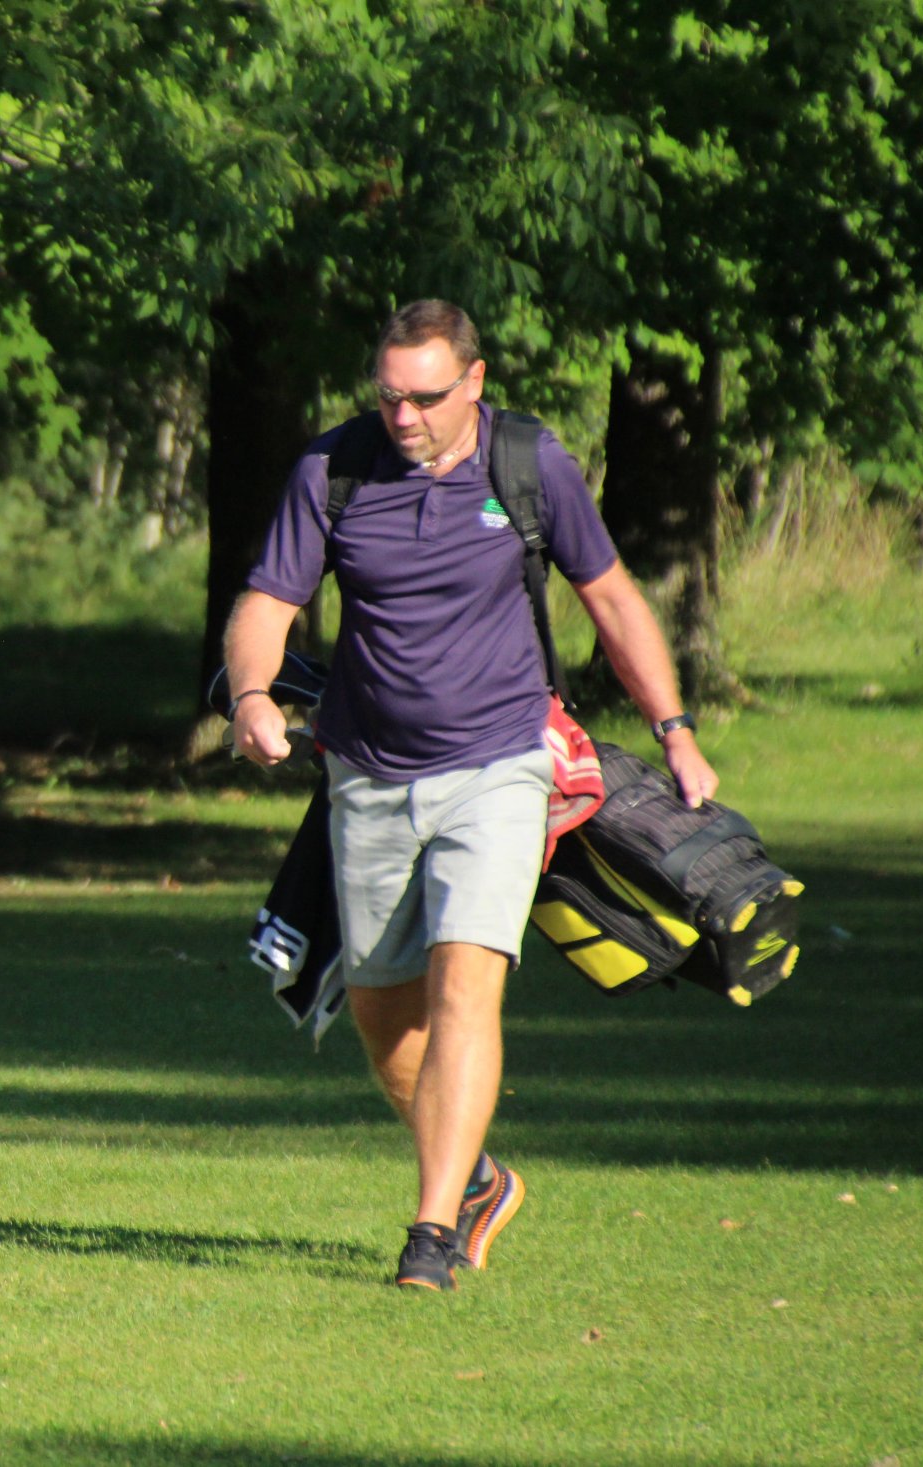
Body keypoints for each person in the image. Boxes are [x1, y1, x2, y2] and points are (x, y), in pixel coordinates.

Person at [223, 300, 718, 1292]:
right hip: (368, 774)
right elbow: (268, 601)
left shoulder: (528, 465)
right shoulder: (333, 469)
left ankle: (430, 1232)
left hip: (499, 764)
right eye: (388, 396)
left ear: (474, 382)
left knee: (465, 984)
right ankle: (483, 1180)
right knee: (382, 1019)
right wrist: (250, 695)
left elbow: (611, 597)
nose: (403, 416)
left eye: (424, 397)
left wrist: (675, 730)